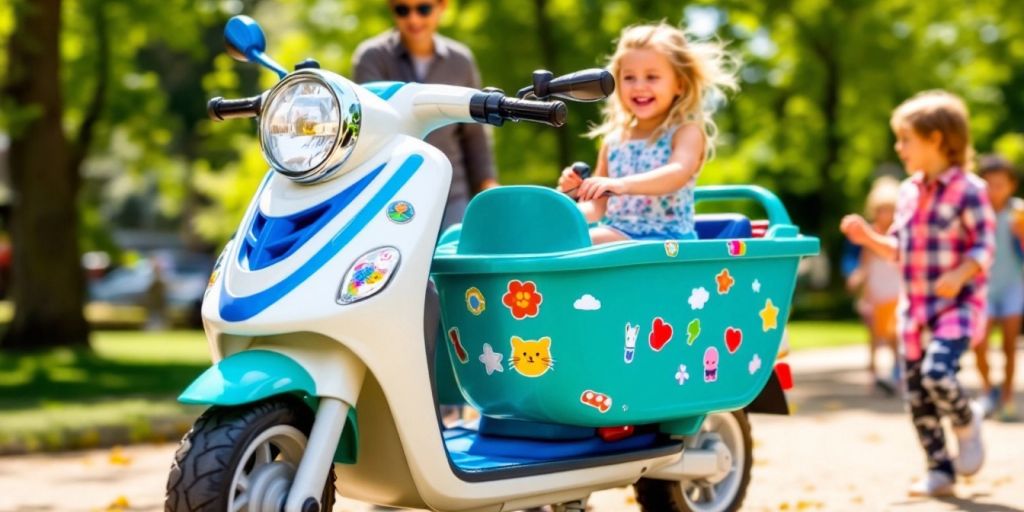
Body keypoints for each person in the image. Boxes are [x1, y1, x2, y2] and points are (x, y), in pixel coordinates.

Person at [840, 90, 993, 497]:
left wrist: (963, 270)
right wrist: (867, 237)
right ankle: (939, 468)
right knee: (917, 395)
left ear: (937, 139)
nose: (899, 147)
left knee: (938, 374)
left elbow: (984, 245)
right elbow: (899, 250)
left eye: (906, 138)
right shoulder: (908, 192)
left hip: (956, 306)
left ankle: (966, 420)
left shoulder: (969, 190)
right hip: (916, 308)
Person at [557, 22, 737, 244]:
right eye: (629, 77)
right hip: (618, 236)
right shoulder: (614, 141)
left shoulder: (685, 133)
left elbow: (675, 174)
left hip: (668, 241)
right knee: (564, 238)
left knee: (587, 241)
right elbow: (597, 208)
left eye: (652, 77)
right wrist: (567, 201)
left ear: (679, 84)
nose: (639, 86)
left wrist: (621, 184)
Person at [351, 0, 498, 230]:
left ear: (442, 7)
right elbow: (372, 128)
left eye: (423, 9)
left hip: (451, 194)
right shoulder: (372, 57)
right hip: (391, 193)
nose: (413, 19)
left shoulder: (461, 62)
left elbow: (474, 134)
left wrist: (487, 185)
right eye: (403, 10)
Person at [975, 154, 1022, 421]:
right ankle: (987, 388)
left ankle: (1006, 397)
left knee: (1008, 345)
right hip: (983, 288)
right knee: (979, 343)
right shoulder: (976, 213)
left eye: (1000, 184)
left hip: (1012, 286)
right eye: (989, 183)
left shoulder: (1019, 213)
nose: (995, 190)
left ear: (1011, 185)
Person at [846, 176, 902, 395]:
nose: (885, 215)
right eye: (881, 210)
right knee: (874, 335)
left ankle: (897, 372)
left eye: (889, 210)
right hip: (876, 292)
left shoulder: (899, 233)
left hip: (895, 291)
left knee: (894, 335)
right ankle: (874, 375)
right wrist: (858, 279)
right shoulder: (869, 234)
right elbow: (864, 264)